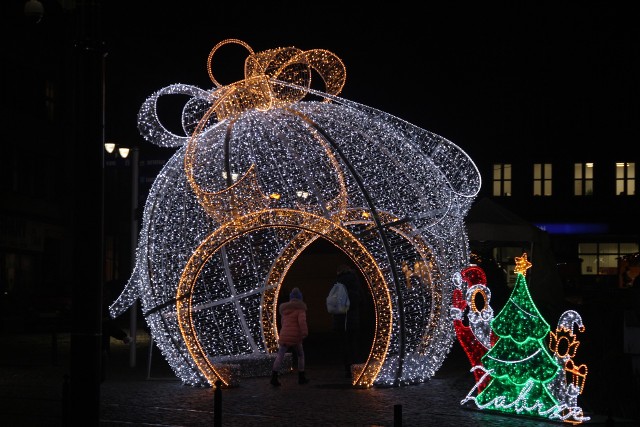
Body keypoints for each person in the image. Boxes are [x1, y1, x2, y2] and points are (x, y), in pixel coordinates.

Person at [270, 287, 309, 386]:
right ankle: (301, 377)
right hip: (296, 336)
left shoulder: (284, 310)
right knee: (300, 355)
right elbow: (302, 322)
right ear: (300, 298)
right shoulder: (300, 309)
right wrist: (304, 333)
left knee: (280, 356)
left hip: (284, 334)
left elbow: (283, 322)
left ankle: (274, 377)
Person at [332, 264, 361, 378]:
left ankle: (347, 369)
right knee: (353, 343)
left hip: (340, 319)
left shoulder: (337, 282)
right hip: (352, 319)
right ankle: (355, 368)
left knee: (344, 345)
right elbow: (360, 299)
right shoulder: (355, 281)